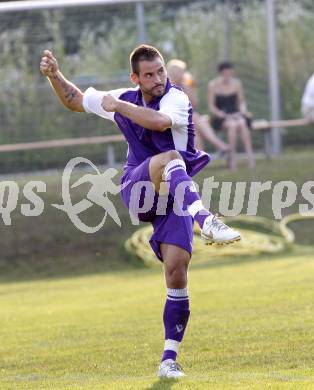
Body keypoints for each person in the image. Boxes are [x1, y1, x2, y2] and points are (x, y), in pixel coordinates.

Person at [40, 45, 240, 378]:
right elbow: (75, 100)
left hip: (174, 195)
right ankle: (205, 219)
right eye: (149, 74)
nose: (158, 78)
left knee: (177, 270)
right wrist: (54, 75)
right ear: (135, 78)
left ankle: (168, 360)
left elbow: (161, 123)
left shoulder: (175, 99)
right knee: (171, 160)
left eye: (160, 71)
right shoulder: (125, 96)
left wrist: (118, 106)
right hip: (139, 187)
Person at [167, 59, 229, 154]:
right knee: (195, 117)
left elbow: (194, 104)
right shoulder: (166, 87)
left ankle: (200, 163)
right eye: (181, 71)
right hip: (172, 122)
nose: (184, 74)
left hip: (187, 121)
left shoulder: (184, 85)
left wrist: (191, 88)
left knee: (196, 133)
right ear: (173, 72)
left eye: (184, 71)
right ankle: (219, 145)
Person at [208, 62, 255, 171]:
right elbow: (211, 106)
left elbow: (242, 102)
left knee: (242, 122)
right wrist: (222, 115)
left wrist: (242, 111)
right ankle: (232, 159)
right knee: (233, 125)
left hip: (236, 114)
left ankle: (250, 158)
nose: (227, 76)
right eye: (225, 73)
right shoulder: (212, 85)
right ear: (221, 73)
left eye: (230, 73)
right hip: (221, 117)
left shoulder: (237, 83)